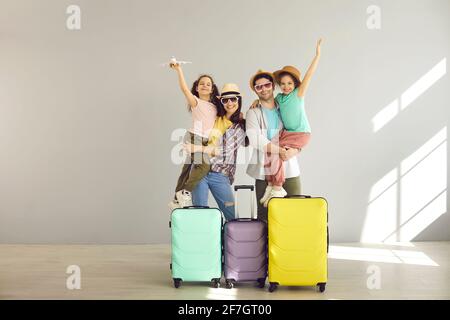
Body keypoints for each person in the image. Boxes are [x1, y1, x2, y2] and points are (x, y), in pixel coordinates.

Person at [259, 39, 322, 207]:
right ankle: (271, 184)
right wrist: (255, 102)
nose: (286, 86)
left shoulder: (298, 94)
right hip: (287, 133)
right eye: (283, 84)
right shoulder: (279, 97)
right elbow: (266, 100)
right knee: (269, 150)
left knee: (280, 153)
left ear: (295, 85)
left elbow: (309, 75)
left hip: (301, 133)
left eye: (289, 83)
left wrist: (317, 55)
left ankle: (278, 186)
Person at [184, 84, 248, 221]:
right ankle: (205, 242)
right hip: (200, 171)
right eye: (225, 100)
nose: (230, 103)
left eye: (233, 99)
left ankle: (231, 242)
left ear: (239, 100)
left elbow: (223, 152)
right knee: (199, 213)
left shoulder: (241, 126)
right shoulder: (215, 118)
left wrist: (196, 148)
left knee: (232, 215)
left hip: (221, 175)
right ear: (221, 101)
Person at [168, 63, 226, 209]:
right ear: (197, 88)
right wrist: (179, 70)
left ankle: (176, 198)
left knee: (187, 168)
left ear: (212, 89)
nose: (205, 86)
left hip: (205, 141)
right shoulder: (195, 101)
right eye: (202, 84)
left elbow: (228, 108)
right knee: (203, 165)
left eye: (208, 84)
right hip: (194, 137)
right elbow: (184, 88)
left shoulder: (215, 106)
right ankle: (185, 192)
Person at [246, 70, 301, 222]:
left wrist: (295, 150)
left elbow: (298, 129)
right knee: (265, 214)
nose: (263, 89)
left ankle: (290, 245)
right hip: (265, 171)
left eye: (267, 85)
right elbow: (254, 138)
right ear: (255, 90)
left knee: (295, 208)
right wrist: (280, 150)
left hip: (288, 166)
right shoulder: (253, 112)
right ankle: (266, 246)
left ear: (273, 86)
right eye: (258, 87)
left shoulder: (285, 105)